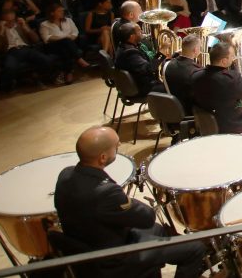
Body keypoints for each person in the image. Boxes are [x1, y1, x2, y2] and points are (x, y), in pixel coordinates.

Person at [54, 126, 207, 278]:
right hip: (114, 261)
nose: (119, 146)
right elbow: (147, 218)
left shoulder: (65, 175)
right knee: (196, 248)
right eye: (115, 145)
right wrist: (125, 199)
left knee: (158, 229)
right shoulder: (106, 192)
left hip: (89, 246)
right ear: (102, 158)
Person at [192, 41, 242, 136]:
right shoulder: (231, 79)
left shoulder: (195, 76)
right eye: (232, 56)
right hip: (231, 125)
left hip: (207, 124)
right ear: (224, 61)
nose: (233, 58)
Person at [113, 23, 161, 96]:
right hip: (143, 88)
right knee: (173, 84)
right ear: (132, 37)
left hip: (138, 83)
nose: (142, 32)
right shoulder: (130, 53)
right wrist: (162, 53)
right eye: (139, 31)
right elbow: (149, 68)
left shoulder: (123, 46)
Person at [164, 33, 203, 115]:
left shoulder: (167, 64)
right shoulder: (197, 71)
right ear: (195, 50)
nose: (201, 49)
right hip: (191, 113)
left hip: (173, 110)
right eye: (200, 47)